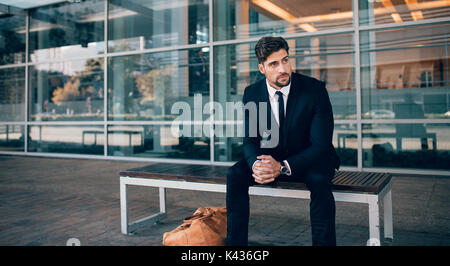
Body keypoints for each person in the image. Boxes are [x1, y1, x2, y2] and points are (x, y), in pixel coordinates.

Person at [226, 36, 340, 246]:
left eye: (285, 60)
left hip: (312, 159)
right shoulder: (251, 93)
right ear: (262, 68)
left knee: (319, 180)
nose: (282, 69)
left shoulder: (314, 90)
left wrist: (284, 167)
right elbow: (250, 140)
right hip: (274, 157)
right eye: (274, 64)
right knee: (235, 174)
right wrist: (257, 165)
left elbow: (321, 145)